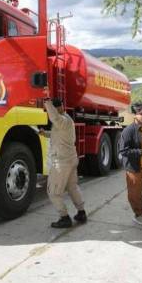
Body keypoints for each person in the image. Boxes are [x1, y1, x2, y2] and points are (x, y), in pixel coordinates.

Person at [42, 98, 87, 228]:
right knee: (72, 187)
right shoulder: (66, 119)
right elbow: (58, 133)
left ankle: (64, 217)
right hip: (70, 160)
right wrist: (45, 133)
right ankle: (81, 212)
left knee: (53, 193)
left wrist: (47, 102)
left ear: (57, 108)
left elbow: (55, 119)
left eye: (54, 109)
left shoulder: (62, 120)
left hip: (62, 162)